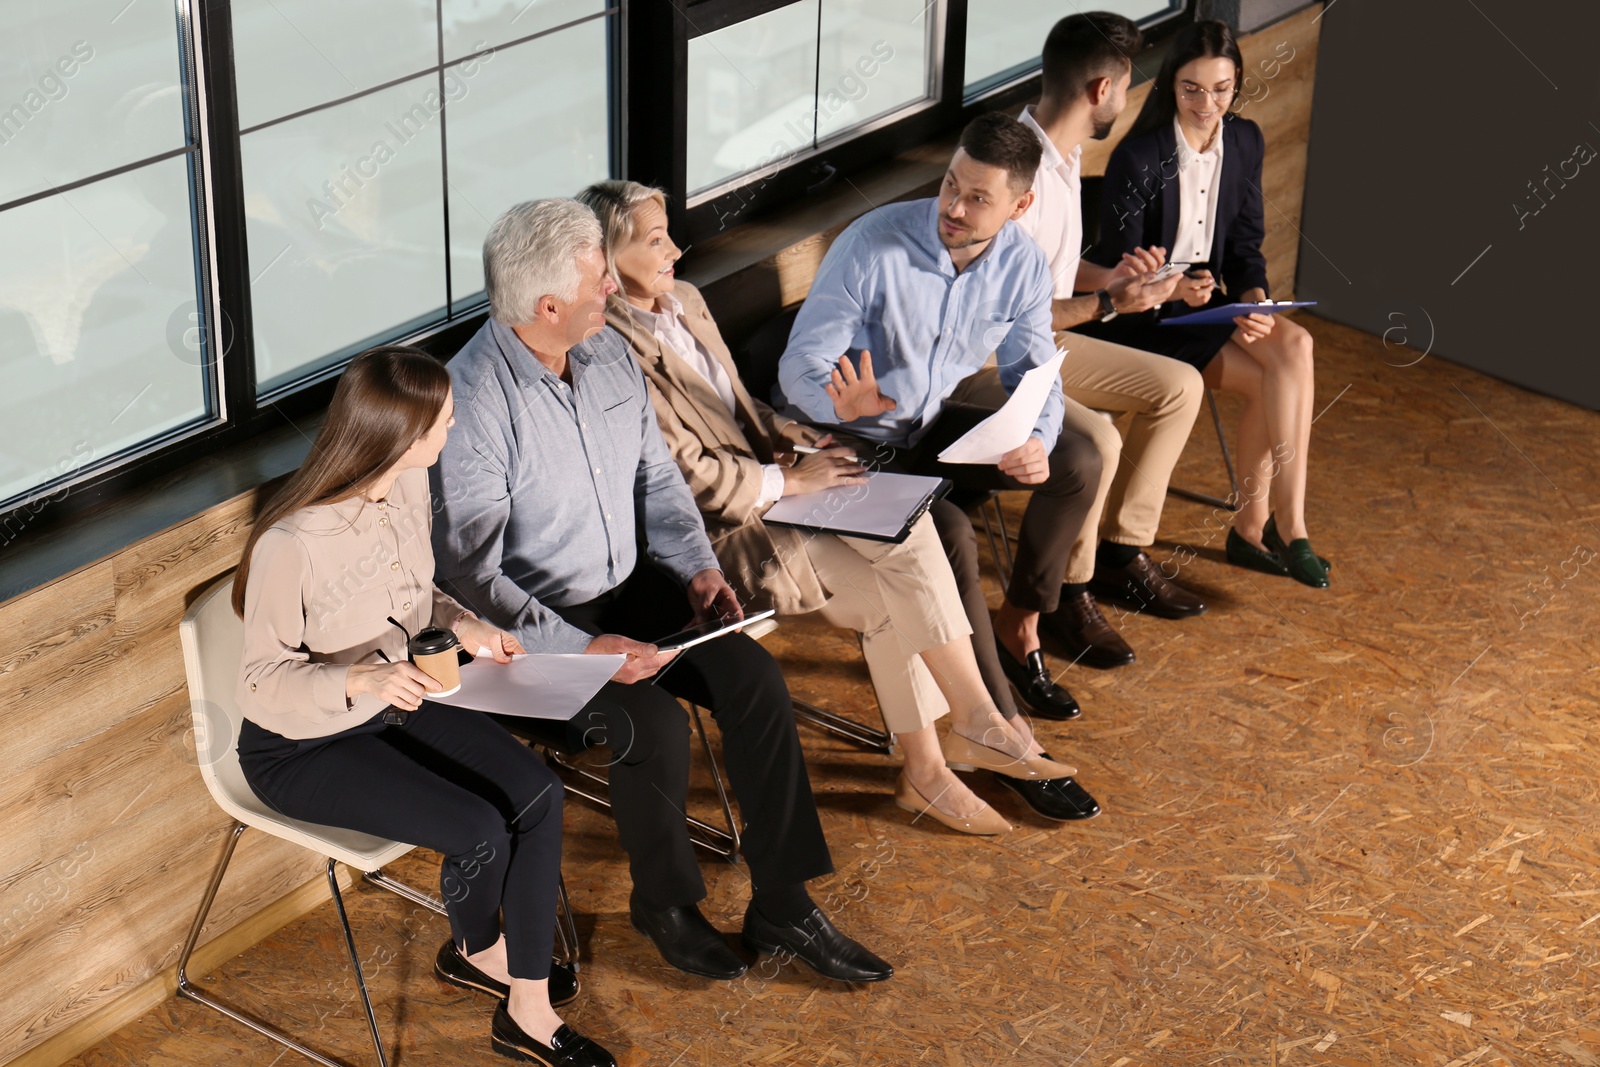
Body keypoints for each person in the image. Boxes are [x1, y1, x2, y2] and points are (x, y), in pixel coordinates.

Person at [430, 198, 892, 986]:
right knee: (652, 722)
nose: (615, 286)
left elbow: (657, 478)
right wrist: (582, 651)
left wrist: (695, 566)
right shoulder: (469, 402)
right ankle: (666, 904)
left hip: (626, 586)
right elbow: (474, 578)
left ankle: (782, 898)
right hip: (528, 636)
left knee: (755, 679)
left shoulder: (605, 353)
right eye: (599, 280)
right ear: (547, 307)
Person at [578, 178, 1099, 827]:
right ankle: (977, 720)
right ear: (601, 255)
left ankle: (927, 772)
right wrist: (792, 482)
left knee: (896, 581)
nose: (676, 250)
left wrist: (799, 441)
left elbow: (742, 411)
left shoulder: (681, 299)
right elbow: (681, 478)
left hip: (779, 490)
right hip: (717, 539)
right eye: (656, 240)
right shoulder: (604, 351)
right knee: (908, 539)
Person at [233, 347, 613, 1067]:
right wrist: (358, 681)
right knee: (478, 828)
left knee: (537, 792)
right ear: (401, 436)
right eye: (443, 419)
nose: (453, 424)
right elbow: (259, 683)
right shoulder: (292, 543)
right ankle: (480, 951)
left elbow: (420, 600)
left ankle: (523, 1000)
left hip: (397, 697)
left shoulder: (408, 484)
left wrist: (467, 627)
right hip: (299, 741)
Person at [776, 112, 1107, 742]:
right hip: (849, 439)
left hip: (924, 432)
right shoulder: (872, 242)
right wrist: (835, 402)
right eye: (950, 184)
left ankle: (1022, 625)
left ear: (1020, 204)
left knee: (1078, 462)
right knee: (948, 527)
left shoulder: (1024, 266)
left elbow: (1034, 375)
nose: (952, 206)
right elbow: (801, 363)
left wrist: (1036, 438)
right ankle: (997, 720)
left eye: (978, 198)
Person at [1085, 19, 1330, 587]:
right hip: (1138, 320)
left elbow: (1245, 246)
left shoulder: (1244, 141)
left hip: (1205, 308)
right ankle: (1281, 529)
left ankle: (1261, 527)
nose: (1206, 102)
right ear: (1172, 85)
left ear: (1237, 84)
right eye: (1191, 88)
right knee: (1289, 357)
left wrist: (1252, 299)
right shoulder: (1139, 158)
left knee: (1288, 352)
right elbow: (1123, 278)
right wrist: (1174, 289)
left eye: (1220, 89)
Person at [1011, 11, 1211, 671]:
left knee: (1179, 386)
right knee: (1100, 437)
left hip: (1050, 337)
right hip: (1000, 357)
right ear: (1101, 90)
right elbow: (1011, 315)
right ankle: (1070, 592)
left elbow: (1053, 273)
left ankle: (1120, 556)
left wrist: (1120, 278)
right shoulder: (1016, 173)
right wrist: (1105, 303)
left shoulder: (1062, 151)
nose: (1127, 101)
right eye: (1126, 86)